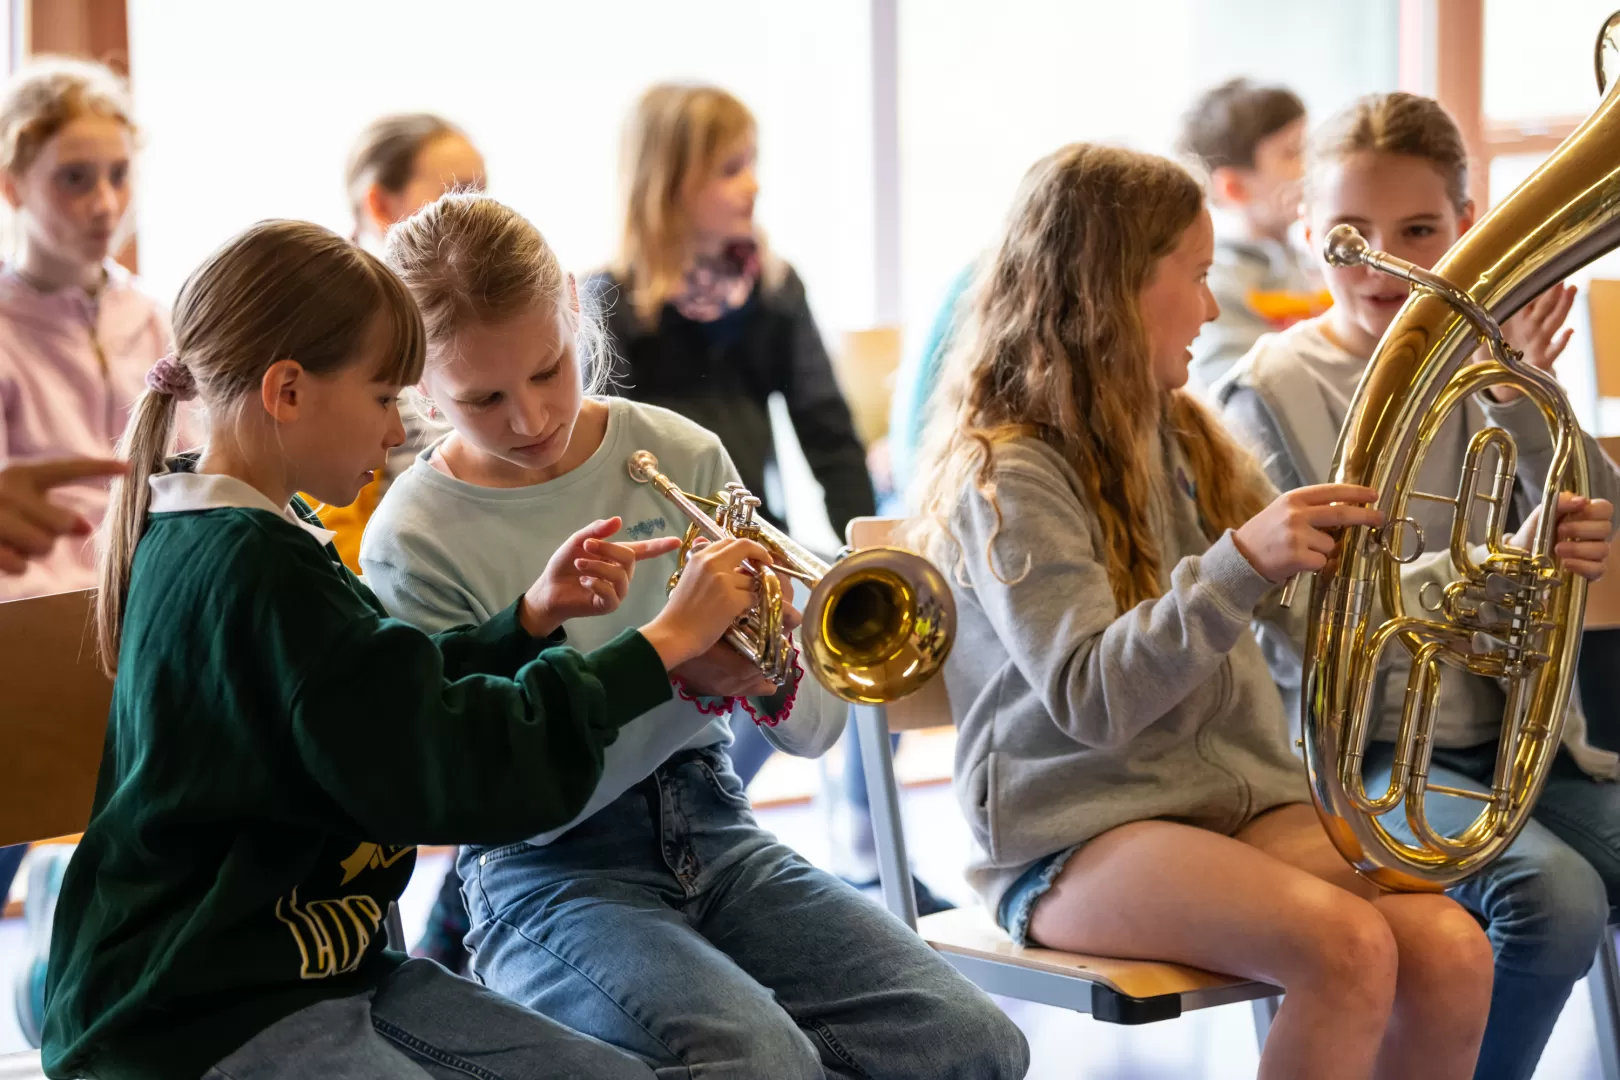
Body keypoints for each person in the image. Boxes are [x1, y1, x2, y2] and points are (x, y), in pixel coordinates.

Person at [902, 142, 1600, 1078]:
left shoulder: (1186, 435)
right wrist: (1240, 565)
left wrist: (1503, 562)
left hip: (1234, 808)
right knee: (1345, 949)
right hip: (1073, 837)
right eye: (1195, 277)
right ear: (1114, 291)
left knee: (1451, 948)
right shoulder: (1008, 473)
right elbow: (1090, 699)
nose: (1209, 307)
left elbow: (1330, 619)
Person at [39, 218, 761, 1080]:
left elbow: (382, 691)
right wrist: (662, 645)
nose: (396, 432)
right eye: (385, 398)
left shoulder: (252, 531)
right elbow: (443, 758)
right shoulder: (249, 568)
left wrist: (524, 622)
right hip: (196, 1012)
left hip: (318, 970)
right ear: (288, 392)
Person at [362, 192, 1029, 1080]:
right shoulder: (413, 536)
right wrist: (672, 664)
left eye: (550, 369)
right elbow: (483, 791)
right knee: (761, 1062)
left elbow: (817, 733)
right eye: (483, 397)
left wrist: (767, 675)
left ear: (573, 306)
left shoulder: (676, 451)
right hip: (546, 873)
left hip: (714, 823)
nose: (531, 418)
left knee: (975, 1044)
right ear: (419, 384)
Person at [1217, 91, 1620, 1080]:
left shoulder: (1497, 369)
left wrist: (1524, 400)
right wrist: (1487, 573)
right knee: (1555, 903)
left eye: (1419, 231)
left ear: (1468, 228)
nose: (1381, 263)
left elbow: (1606, 524)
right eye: (1351, 236)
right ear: (1308, 233)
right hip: (1363, 754)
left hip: (1527, 741)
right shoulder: (1265, 392)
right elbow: (1297, 621)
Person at [0, 56, 173, 603]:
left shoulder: (155, 319)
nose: (105, 205)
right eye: (74, 178)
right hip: (34, 609)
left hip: (152, 592)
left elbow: (192, 478)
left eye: (118, 175)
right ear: (12, 185)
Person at [1179, 77, 1330, 391]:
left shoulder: (1316, 262)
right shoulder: (1219, 282)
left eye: (1311, 149)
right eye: (1293, 153)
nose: (1312, 168)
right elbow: (1240, 388)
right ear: (1234, 188)